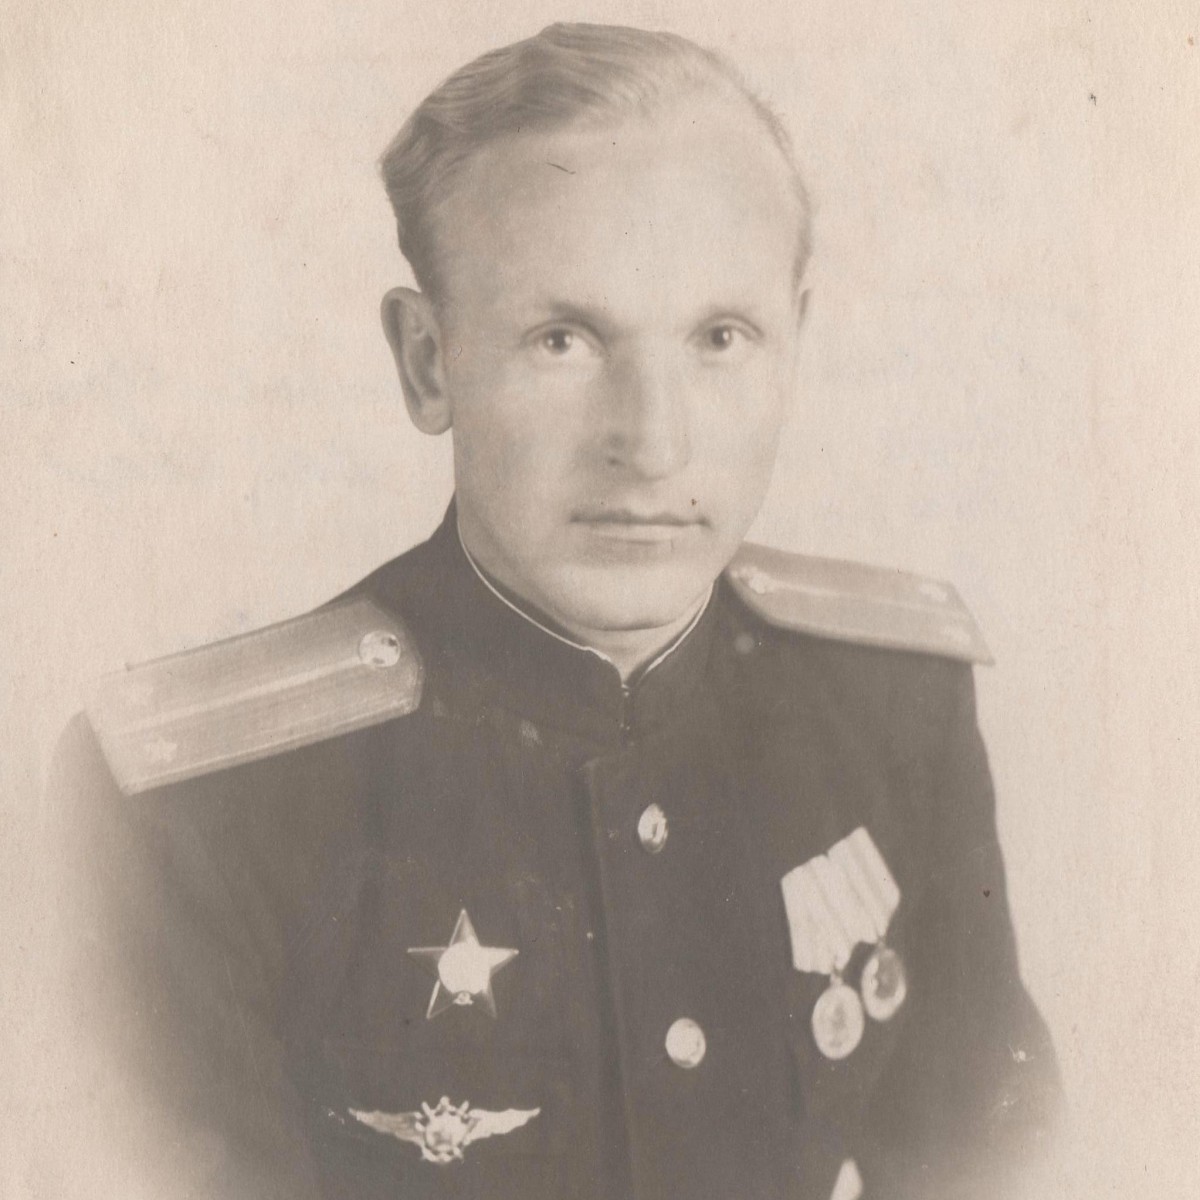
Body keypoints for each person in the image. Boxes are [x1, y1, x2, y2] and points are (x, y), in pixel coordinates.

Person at [41, 22, 1059, 1200]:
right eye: (563, 340)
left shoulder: (892, 707)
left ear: (797, 347)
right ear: (429, 362)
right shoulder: (202, 817)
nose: (653, 443)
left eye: (721, 339)